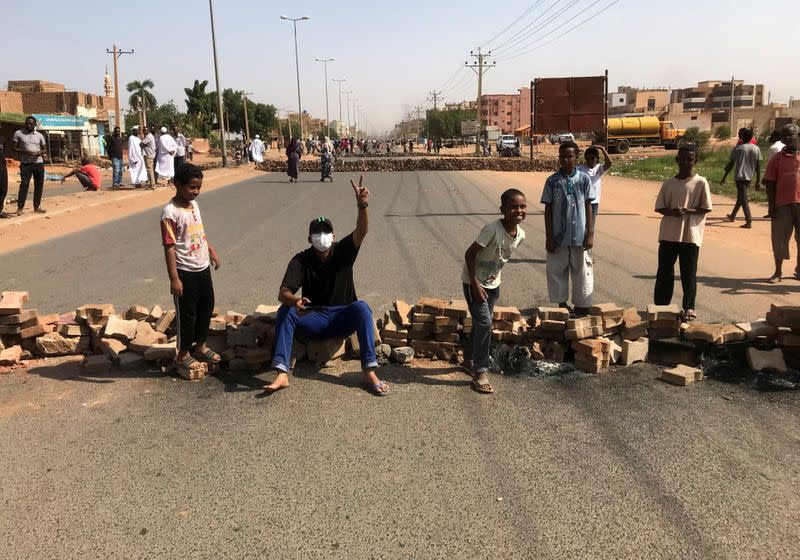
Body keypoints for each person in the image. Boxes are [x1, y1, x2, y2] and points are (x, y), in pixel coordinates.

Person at [263, 175, 388, 396]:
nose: (322, 237)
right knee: (285, 311)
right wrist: (295, 300)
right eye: (317, 233)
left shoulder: (343, 251)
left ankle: (369, 370)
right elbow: (283, 292)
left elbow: (362, 230)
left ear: (333, 236)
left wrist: (362, 205)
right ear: (310, 239)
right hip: (314, 317)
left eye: (326, 232)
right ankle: (281, 372)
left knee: (362, 307)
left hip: (342, 317)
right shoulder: (301, 260)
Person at [462, 188, 527, 394]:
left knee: (482, 322)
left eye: (522, 206)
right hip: (474, 282)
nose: (519, 210)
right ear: (503, 209)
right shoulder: (492, 229)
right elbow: (470, 254)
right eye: (513, 207)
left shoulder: (521, 235)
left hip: (493, 285)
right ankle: (480, 372)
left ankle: (468, 359)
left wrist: (490, 282)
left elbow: (499, 259)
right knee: (485, 322)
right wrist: (475, 284)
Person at [160, 163, 222, 370]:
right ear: (177, 184)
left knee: (206, 307)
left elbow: (199, 233)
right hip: (185, 271)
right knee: (188, 314)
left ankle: (201, 346)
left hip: (202, 266)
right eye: (192, 187)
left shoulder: (194, 205)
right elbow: (169, 247)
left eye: (198, 188)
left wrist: (211, 250)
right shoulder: (170, 213)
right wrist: (174, 278)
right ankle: (183, 353)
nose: (196, 192)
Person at [653, 145, 712, 322]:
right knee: (664, 272)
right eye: (682, 159)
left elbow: (705, 208)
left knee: (689, 273)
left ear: (695, 161)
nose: (685, 162)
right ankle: (661, 306)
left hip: (690, 235)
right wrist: (672, 212)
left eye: (690, 159)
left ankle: (689, 307)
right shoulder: (669, 183)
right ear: (676, 160)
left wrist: (688, 210)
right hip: (669, 235)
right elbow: (660, 207)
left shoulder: (701, 182)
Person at [542, 141, 595, 316]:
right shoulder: (552, 181)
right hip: (558, 237)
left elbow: (589, 206)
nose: (565, 160)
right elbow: (548, 209)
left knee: (582, 271)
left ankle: (582, 304)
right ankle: (562, 304)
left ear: (576, 157)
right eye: (562, 156)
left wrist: (590, 233)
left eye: (569, 156)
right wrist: (549, 237)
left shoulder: (584, 179)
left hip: (580, 235)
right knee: (557, 271)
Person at [764, 124, 800, 284]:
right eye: (785, 136)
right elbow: (770, 184)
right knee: (779, 240)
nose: (788, 138)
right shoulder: (777, 159)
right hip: (782, 205)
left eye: (791, 135)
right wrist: (771, 207)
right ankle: (778, 272)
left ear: (798, 135)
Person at [721, 128, 761, 228]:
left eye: (740, 134)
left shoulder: (738, 148)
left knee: (743, 198)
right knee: (741, 197)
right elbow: (758, 166)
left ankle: (749, 220)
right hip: (749, 177)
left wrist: (724, 177)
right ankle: (733, 215)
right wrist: (758, 180)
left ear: (742, 136)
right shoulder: (756, 148)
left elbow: (731, 164)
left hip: (740, 177)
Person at [12, 115, 48, 215]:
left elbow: (45, 149)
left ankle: (37, 207)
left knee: (39, 185)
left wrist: (39, 153)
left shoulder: (39, 135)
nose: (28, 125)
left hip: (38, 163)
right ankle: (20, 208)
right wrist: (26, 151)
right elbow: (14, 148)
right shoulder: (18, 133)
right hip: (26, 164)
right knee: (24, 184)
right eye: (27, 123)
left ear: (35, 124)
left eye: (31, 123)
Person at [577, 145, 612, 228]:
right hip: (581, 202)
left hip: (593, 203)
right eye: (587, 158)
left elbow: (609, 163)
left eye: (592, 158)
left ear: (597, 159)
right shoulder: (579, 169)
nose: (590, 161)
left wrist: (603, 149)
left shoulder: (598, 169)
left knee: (590, 226)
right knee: (581, 226)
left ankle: (589, 240)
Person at [140, 125, 157, 189]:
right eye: (144, 130)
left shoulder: (149, 137)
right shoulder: (148, 136)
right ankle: (150, 184)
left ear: (148, 131)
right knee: (150, 170)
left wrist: (143, 145)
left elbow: (141, 144)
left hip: (149, 155)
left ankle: (152, 185)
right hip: (149, 154)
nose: (144, 132)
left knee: (150, 170)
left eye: (145, 130)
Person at [0, 135, 8, 218]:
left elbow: (3, 151)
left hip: (2, 166)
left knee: (3, 189)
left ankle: (0, 210)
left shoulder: (2, 138)